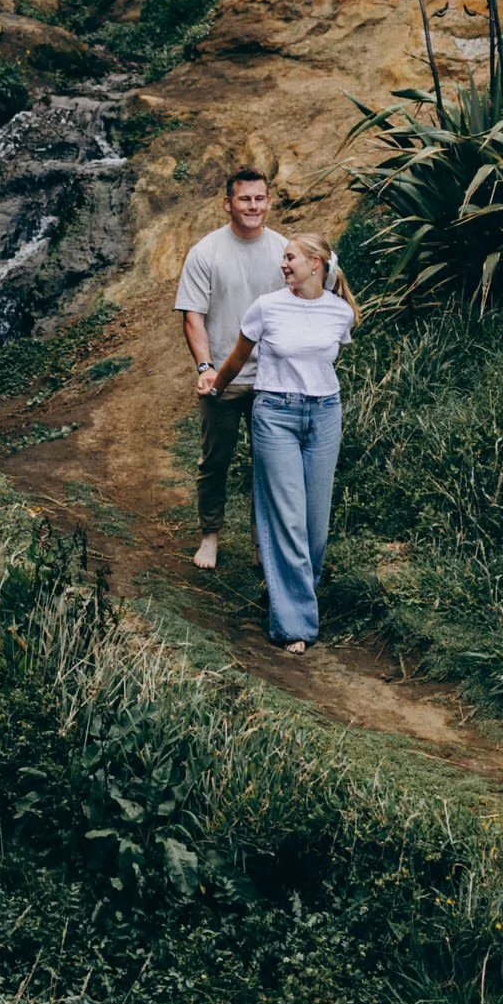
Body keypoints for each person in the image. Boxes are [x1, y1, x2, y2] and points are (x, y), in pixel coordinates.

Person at [209, 230, 356, 654]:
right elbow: (238, 357)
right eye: (283, 258)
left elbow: (326, 361)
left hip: (325, 413)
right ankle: (296, 625)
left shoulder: (339, 313)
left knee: (315, 526)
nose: (284, 264)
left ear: (317, 263)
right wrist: (216, 387)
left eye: (291, 257)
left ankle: (288, 593)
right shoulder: (266, 307)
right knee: (288, 519)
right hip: (275, 414)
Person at [173, 167, 297, 575]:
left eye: (259, 198)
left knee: (269, 465)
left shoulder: (283, 250)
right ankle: (210, 534)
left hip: (272, 380)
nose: (253, 206)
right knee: (215, 460)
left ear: (269, 201)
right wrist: (206, 368)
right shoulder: (206, 252)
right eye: (244, 199)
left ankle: (262, 541)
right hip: (222, 380)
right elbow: (194, 316)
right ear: (228, 203)